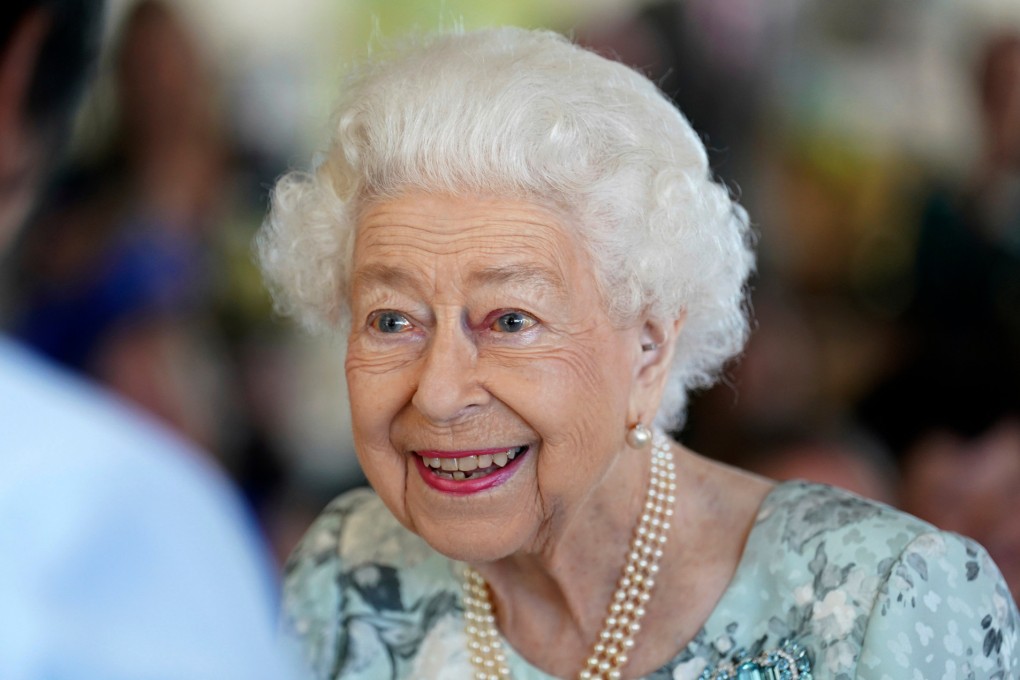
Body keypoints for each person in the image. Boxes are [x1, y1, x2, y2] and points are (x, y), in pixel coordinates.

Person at [259, 28, 1019, 679]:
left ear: (650, 350)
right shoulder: (344, 578)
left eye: (511, 320)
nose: (439, 392)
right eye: (392, 321)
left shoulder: (886, 604)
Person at [0, 1, 297, 677]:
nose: (163, 80)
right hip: (114, 431)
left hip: (246, 451)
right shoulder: (85, 188)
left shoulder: (256, 179)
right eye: (144, 64)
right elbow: (57, 301)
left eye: (175, 61)